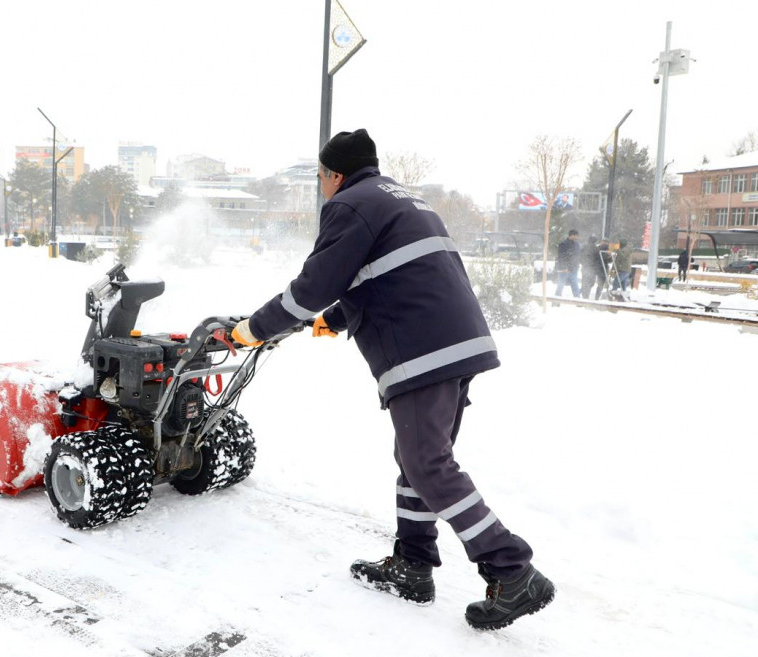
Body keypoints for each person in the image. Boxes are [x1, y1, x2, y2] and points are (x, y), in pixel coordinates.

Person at [230, 129, 553, 630]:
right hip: (456, 340)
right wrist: (336, 320)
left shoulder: (349, 205)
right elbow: (387, 274)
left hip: (421, 349)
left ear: (334, 174)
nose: (322, 187)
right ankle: (413, 564)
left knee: (427, 463)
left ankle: (511, 569)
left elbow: (313, 286)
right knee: (417, 458)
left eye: (320, 177)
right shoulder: (402, 199)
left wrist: (252, 329)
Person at [554, 229, 581, 297]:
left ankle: (578, 303)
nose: (576, 237)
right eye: (575, 236)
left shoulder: (577, 244)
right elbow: (561, 256)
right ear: (571, 235)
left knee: (575, 286)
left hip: (574, 268)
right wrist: (564, 267)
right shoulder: (563, 244)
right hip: (565, 269)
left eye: (577, 236)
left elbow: (577, 255)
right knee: (560, 286)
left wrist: (577, 265)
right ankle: (556, 301)